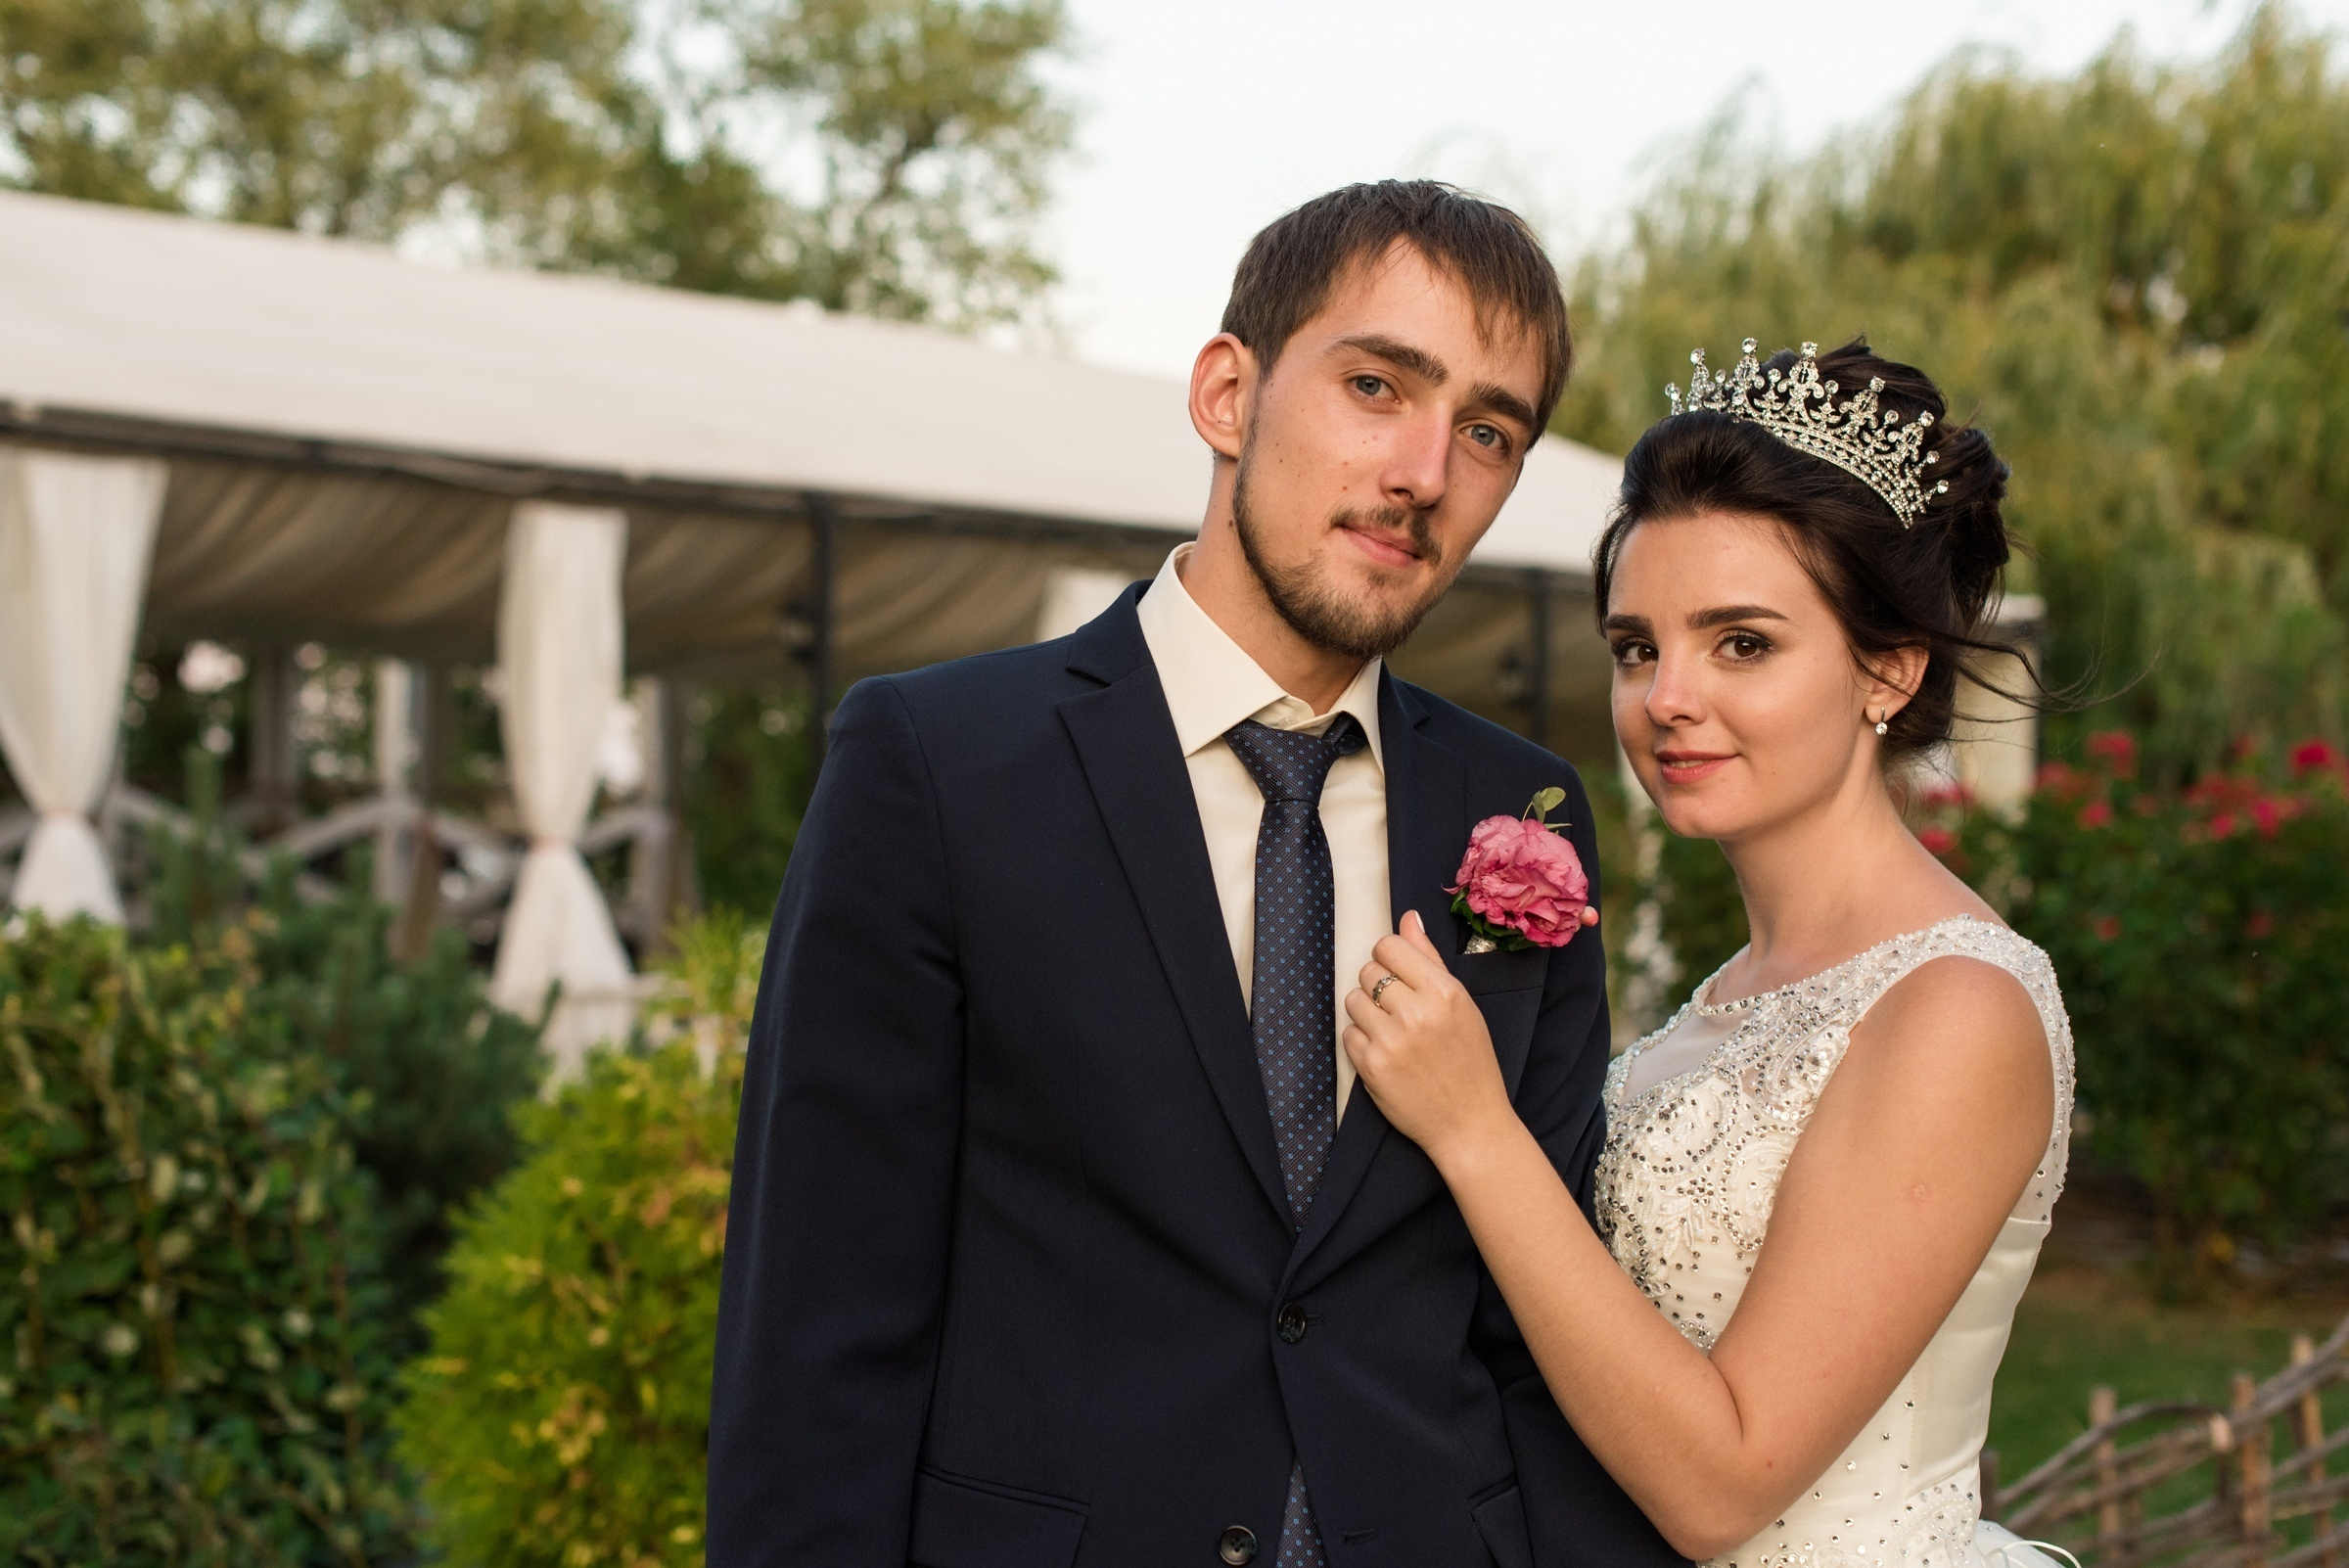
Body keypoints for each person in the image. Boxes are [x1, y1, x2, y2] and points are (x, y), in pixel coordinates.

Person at [708, 181, 1681, 1568]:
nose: (1423, 471)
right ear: (1228, 392)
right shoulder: (936, 761)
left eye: (1485, 431)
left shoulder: (1521, 809)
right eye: (1373, 384)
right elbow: (820, 1327)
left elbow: (1529, 1329)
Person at [1342, 337, 2073, 1568]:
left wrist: (1475, 1130)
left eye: (1742, 643)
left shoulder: (1959, 1007)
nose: (1667, 696)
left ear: (1887, 670)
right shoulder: (1719, 1002)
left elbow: (1723, 1486)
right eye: (1637, 647)